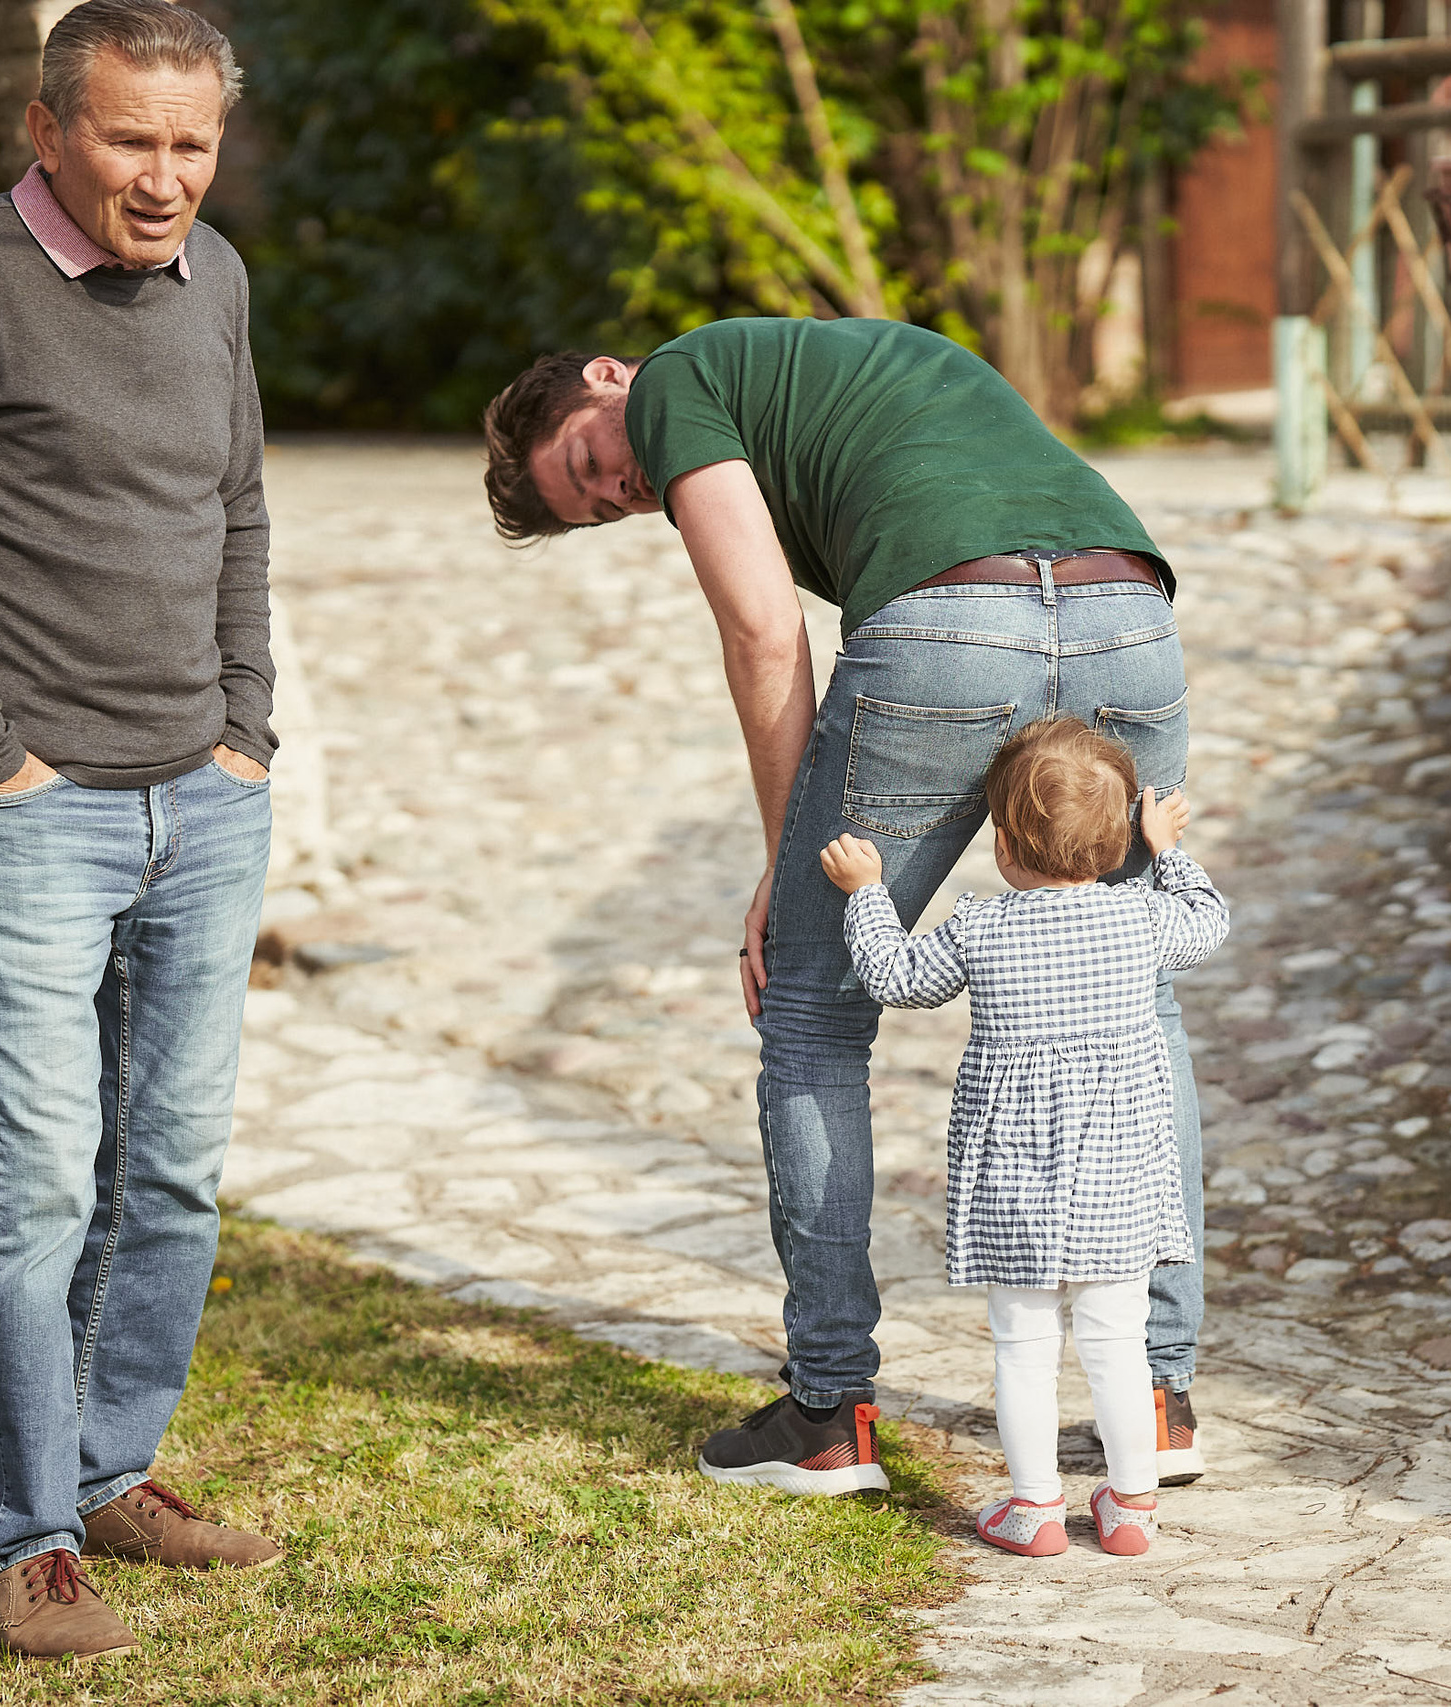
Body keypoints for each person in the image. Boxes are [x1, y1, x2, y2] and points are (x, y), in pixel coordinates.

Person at [482, 320, 1214, 1494]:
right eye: (603, 509)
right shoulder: (840, 358)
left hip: (951, 625)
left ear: (606, 380)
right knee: (1142, 998)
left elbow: (764, 629)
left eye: (587, 465)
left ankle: (828, 1413)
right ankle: (1162, 1398)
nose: (625, 490)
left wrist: (789, 854)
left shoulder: (675, 380)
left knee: (813, 1012)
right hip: (1127, 612)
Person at [0, 0, 279, 1661]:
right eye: (130, 139)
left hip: (204, 800)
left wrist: (247, 728)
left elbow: (233, 496)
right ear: (47, 130)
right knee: (32, 1189)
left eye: (192, 143)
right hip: (32, 811)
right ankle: (19, 1534)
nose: (166, 179)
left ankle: (111, 1467)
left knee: (168, 1171)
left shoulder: (215, 278)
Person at [824, 719, 1228, 1556]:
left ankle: (1035, 1509)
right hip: (1118, 1177)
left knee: (1024, 1346)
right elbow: (1207, 919)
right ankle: (1131, 1507)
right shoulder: (1140, 920)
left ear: (1004, 844)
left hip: (1016, 1179)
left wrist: (866, 891)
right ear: (1119, 845)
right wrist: (1168, 849)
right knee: (1117, 1343)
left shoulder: (980, 929)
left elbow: (896, 977)